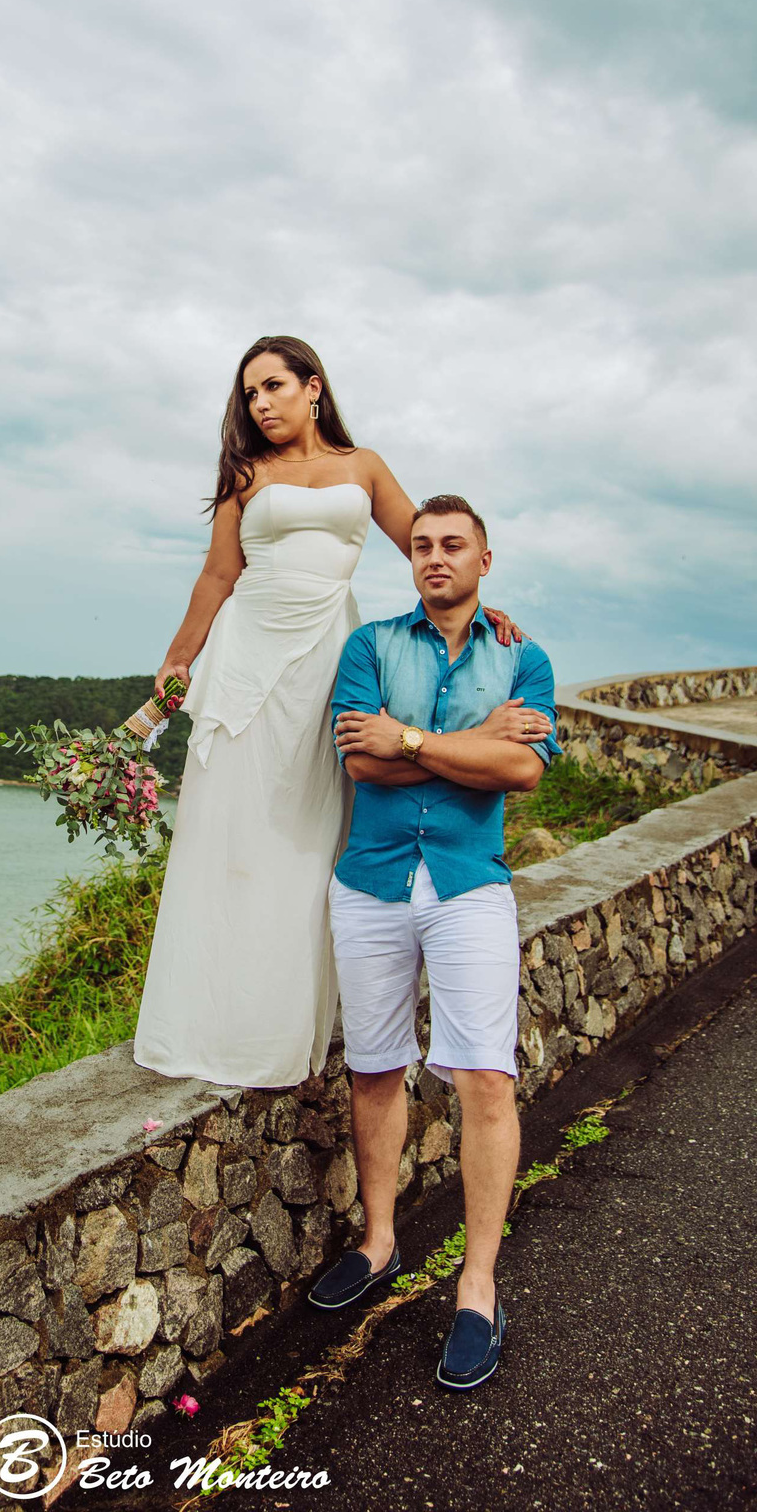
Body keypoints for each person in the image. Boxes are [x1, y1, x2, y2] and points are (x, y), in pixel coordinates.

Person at [132, 339, 528, 1090]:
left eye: (273, 386)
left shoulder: (364, 466)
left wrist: (480, 603)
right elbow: (219, 574)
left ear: (313, 387)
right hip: (250, 655)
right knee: (230, 834)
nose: (261, 404)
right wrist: (176, 666)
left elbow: (428, 545)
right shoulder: (245, 475)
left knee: (307, 839)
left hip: (324, 659)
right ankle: (206, 1024)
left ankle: (273, 1030)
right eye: (249, 394)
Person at [307, 493, 560, 1392]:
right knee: (374, 1064)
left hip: (468, 885)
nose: (435, 557)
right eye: (421, 545)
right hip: (371, 879)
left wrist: (415, 736)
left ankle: (478, 1289)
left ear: (484, 561)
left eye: (453, 545)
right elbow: (360, 760)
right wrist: (470, 743)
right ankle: (379, 1243)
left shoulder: (523, 656)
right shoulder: (370, 646)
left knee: (484, 1077)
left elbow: (523, 769)